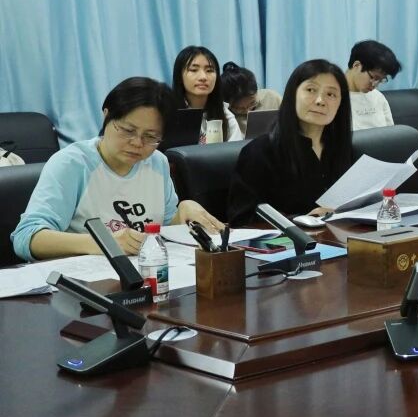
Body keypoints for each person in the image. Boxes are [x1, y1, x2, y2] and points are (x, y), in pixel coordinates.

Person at [12, 77, 224, 261]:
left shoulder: (157, 162)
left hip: (145, 274)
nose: (137, 143)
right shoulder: (72, 164)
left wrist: (182, 212)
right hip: (87, 282)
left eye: (151, 136)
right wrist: (104, 242)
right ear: (106, 116)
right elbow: (26, 238)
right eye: (128, 130)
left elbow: (163, 227)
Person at [227, 59, 354, 225]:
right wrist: (300, 220)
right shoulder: (259, 152)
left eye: (331, 94)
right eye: (311, 90)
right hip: (290, 240)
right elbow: (242, 219)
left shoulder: (342, 148)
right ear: (292, 95)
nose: (320, 100)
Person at [172, 46, 243, 142]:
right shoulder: (169, 113)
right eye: (194, 70)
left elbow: (236, 148)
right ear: (179, 76)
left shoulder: (224, 114)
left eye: (209, 70)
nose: (203, 77)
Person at [345, 40, 401, 130]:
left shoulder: (378, 97)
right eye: (374, 77)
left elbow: (390, 135)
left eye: (381, 80)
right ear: (356, 66)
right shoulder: (331, 98)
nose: (375, 85)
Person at [221, 62, 283, 136]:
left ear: (256, 91)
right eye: (239, 109)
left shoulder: (272, 99)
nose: (248, 111)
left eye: (252, 103)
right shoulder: (224, 113)